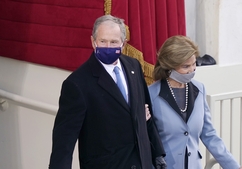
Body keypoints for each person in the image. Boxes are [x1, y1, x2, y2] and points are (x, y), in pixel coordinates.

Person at [49, 15, 167, 169]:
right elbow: (64, 142)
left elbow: (146, 113)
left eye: (114, 42)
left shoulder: (134, 66)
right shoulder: (77, 84)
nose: (108, 46)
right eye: (103, 41)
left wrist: (157, 154)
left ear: (123, 44)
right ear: (93, 41)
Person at [148, 35, 242, 169]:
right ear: (169, 67)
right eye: (186, 66)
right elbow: (146, 140)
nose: (192, 70)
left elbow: (209, 135)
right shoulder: (151, 94)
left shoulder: (199, 89)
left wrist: (233, 166)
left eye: (194, 64)